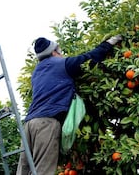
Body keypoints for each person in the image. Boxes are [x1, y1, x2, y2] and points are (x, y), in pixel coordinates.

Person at [16, 35, 122, 175]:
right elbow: (89, 58)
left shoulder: (37, 72)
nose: (62, 55)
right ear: (54, 52)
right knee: (43, 169)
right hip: (46, 123)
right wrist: (109, 43)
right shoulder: (61, 64)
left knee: (23, 169)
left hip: (29, 124)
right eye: (60, 52)